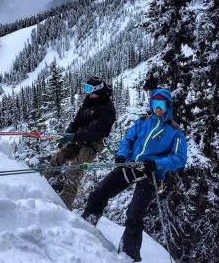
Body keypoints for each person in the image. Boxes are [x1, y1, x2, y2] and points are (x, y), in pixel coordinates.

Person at [81, 88, 187, 262]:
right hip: (130, 165)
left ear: (168, 106)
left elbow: (180, 158)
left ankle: (128, 256)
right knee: (99, 194)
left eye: (161, 105)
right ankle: (85, 226)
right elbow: (128, 140)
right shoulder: (142, 122)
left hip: (151, 174)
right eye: (155, 104)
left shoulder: (174, 131)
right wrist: (122, 154)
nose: (158, 108)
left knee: (134, 214)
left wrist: (157, 164)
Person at [43, 76, 116, 210]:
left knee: (74, 169)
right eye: (86, 88)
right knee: (59, 157)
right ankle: (41, 184)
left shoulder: (107, 109)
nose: (87, 92)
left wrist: (72, 136)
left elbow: (93, 132)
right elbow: (78, 119)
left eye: (90, 89)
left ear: (98, 90)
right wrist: (69, 130)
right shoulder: (90, 99)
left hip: (94, 143)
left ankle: (64, 206)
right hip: (79, 136)